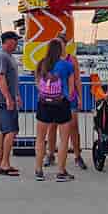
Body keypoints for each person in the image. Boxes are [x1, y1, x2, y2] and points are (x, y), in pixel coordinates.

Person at [34, 39, 75, 182]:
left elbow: (38, 84)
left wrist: (46, 94)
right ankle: (61, 172)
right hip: (61, 104)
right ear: (60, 50)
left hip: (44, 104)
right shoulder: (67, 65)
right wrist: (68, 98)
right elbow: (71, 89)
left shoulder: (41, 63)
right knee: (63, 140)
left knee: (40, 138)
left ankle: (39, 170)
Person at [44, 33, 87, 170]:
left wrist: (80, 97)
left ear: (65, 44)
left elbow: (77, 80)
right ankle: (51, 154)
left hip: (70, 98)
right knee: (52, 126)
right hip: (54, 98)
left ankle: (77, 155)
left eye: (60, 43)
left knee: (73, 127)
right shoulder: (51, 59)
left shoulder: (71, 59)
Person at [0, 31, 22, 176]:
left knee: (4, 130)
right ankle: (4, 164)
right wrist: (8, 98)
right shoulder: (2, 56)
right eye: (15, 40)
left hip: (6, 98)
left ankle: (2, 163)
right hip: (4, 99)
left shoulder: (8, 56)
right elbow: (1, 77)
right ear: (8, 41)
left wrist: (16, 95)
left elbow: (11, 79)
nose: (17, 43)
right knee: (11, 130)